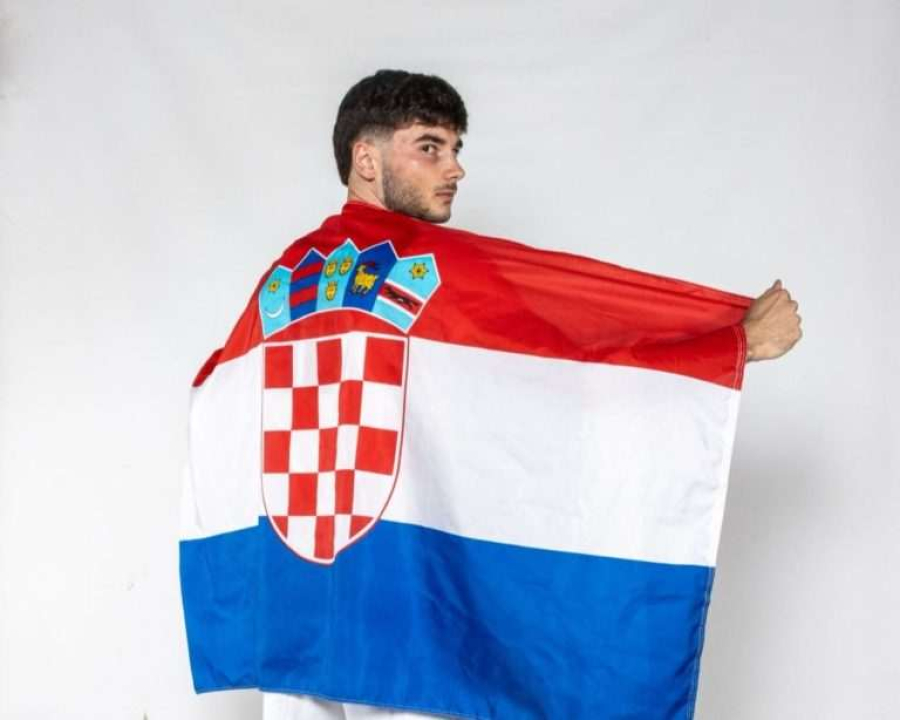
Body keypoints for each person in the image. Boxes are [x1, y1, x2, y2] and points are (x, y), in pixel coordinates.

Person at [208, 69, 801, 719]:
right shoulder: (443, 273)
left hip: (289, 586)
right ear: (367, 159)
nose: (455, 168)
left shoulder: (282, 280)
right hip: (404, 588)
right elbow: (573, 368)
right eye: (430, 146)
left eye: (456, 149)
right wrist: (733, 344)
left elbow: (217, 404)